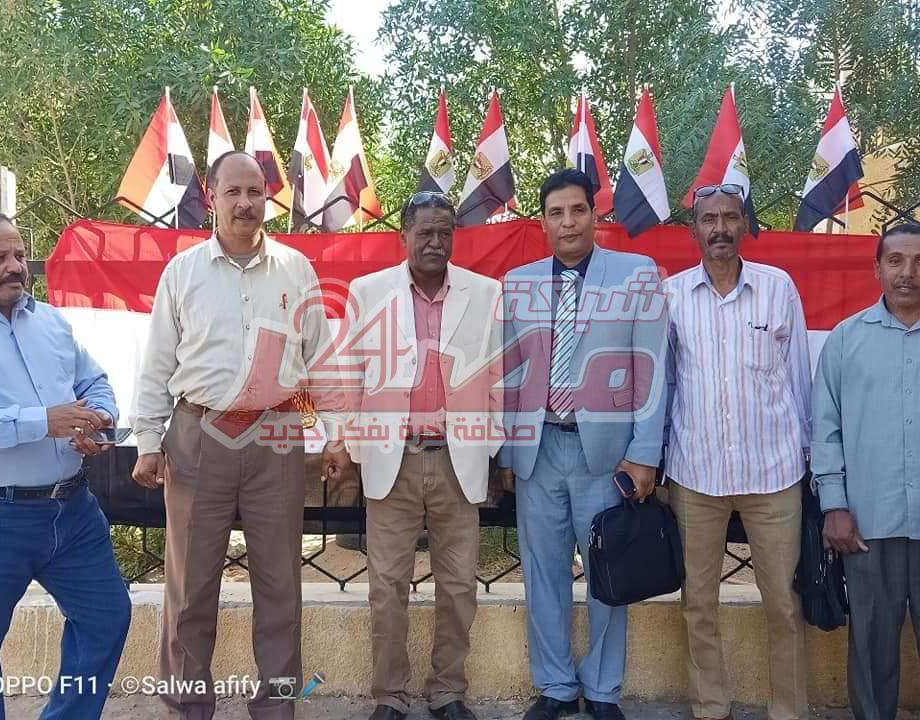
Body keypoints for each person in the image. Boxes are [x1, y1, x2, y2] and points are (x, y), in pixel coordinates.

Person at [131, 151, 349, 720]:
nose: (246, 203)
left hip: (277, 434)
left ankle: (277, 707)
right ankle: (187, 707)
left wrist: (336, 434)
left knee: (280, 586)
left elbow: (321, 359)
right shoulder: (183, 272)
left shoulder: (296, 269)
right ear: (211, 196)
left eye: (256, 192)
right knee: (190, 587)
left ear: (267, 199)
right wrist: (148, 442)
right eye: (234, 192)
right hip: (197, 436)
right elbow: (156, 364)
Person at [498, 169, 669, 720]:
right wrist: (508, 452)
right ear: (543, 222)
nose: (567, 222)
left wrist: (644, 454)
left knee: (607, 571)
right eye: (556, 213)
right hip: (539, 450)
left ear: (595, 215)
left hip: (608, 456)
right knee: (542, 572)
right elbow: (509, 373)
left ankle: (602, 689)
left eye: (577, 210)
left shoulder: (636, 275)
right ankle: (554, 686)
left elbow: (652, 370)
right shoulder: (518, 283)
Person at [0, 209, 131, 719]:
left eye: (19, 254)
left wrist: (99, 418)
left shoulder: (50, 321)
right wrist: (41, 422)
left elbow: (92, 381)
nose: (16, 266)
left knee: (105, 618)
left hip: (73, 511)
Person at [343, 191, 504, 720]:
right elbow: (351, 376)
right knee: (386, 588)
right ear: (404, 236)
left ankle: (448, 690)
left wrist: (489, 445)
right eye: (425, 232)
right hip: (393, 462)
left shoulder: (485, 294)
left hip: (459, 462)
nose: (436, 242)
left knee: (458, 588)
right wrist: (353, 446)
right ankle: (390, 695)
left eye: (444, 233)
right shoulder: (368, 293)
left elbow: (498, 377)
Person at [664, 184, 811, 720]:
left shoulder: (778, 288)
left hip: (773, 475)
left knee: (783, 604)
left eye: (730, 217)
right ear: (694, 230)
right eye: (709, 219)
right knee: (698, 604)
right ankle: (711, 708)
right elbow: (665, 384)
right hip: (695, 475)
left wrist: (810, 460)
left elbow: (799, 380)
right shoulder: (672, 295)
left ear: (745, 225)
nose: (720, 228)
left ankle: (787, 711)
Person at [812, 222, 920, 720]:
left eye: (918, 262)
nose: (907, 272)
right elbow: (825, 430)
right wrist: (833, 505)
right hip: (868, 523)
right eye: (895, 260)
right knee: (873, 646)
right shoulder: (845, 340)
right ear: (877, 268)